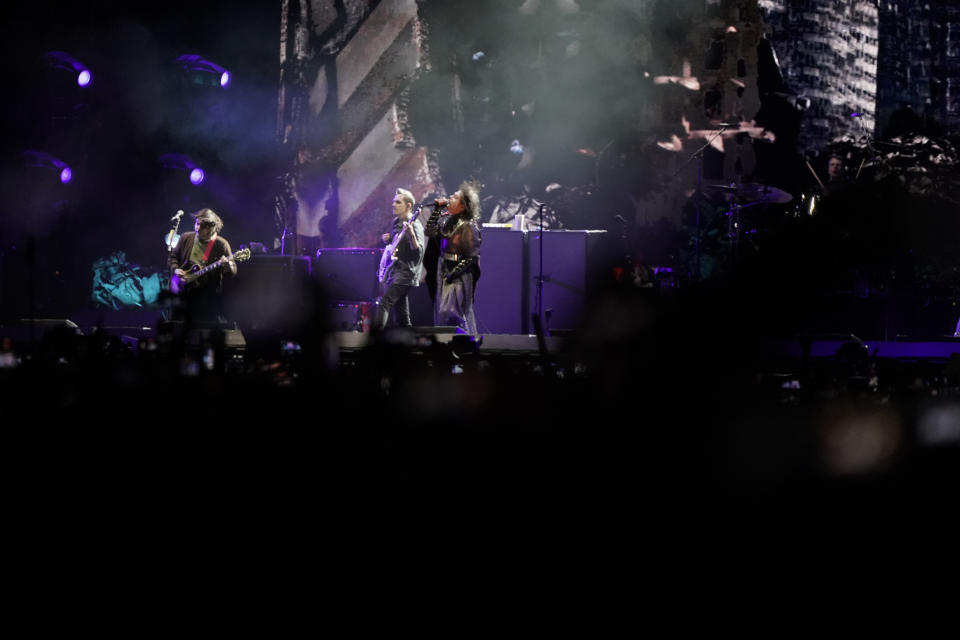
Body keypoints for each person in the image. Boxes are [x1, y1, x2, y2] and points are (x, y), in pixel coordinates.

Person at [425, 182, 482, 335]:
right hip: (444, 271)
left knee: (452, 313)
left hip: (458, 275)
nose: (450, 197)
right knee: (442, 313)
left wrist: (454, 272)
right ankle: (447, 345)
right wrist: (437, 209)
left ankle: (464, 344)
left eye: (455, 197)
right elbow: (429, 231)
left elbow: (472, 257)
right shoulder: (447, 222)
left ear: (463, 206)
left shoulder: (468, 226)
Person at [168, 208, 238, 324]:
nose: (197, 228)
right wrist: (176, 270)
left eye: (202, 226)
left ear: (211, 228)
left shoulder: (221, 244)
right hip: (183, 292)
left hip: (206, 298)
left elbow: (232, 272)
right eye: (197, 224)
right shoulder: (186, 237)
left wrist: (227, 265)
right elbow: (173, 257)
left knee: (204, 330)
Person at [373, 188, 425, 331]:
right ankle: (408, 340)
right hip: (396, 271)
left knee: (384, 303)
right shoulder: (396, 222)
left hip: (406, 273)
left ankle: (375, 338)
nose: (393, 205)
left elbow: (418, 253)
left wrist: (412, 235)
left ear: (408, 206)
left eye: (398, 202)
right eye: (393, 202)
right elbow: (397, 246)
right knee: (401, 312)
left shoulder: (415, 225)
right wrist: (388, 240)